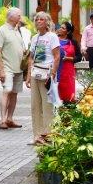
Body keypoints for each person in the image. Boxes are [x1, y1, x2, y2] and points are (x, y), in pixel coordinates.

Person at [26, 12, 61, 144]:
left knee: (47, 106)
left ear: (47, 22)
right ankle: (37, 135)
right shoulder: (34, 38)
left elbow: (57, 56)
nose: (38, 21)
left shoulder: (52, 37)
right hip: (36, 73)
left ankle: (48, 134)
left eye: (41, 19)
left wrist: (52, 74)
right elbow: (31, 58)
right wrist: (28, 76)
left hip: (47, 74)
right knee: (35, 106)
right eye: (37, 19)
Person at [0, 8, 28, 130]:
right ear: (11, 17)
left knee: (14, 94)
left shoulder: (17, 30)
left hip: (18, 68)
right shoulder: (1, 30)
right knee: (7, 91)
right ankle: (3, 120)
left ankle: (10, 118)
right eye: (18, 15)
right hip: (7, 68)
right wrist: (1, 69)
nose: (20, 17)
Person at [56, 21, 80, 104]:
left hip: (68, 72)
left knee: (68, 95)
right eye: (60, 27)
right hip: (56, 70)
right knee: (56, 93)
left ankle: (68, 112)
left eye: (63, 28)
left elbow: (79, 57)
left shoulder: (73, 42)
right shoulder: (54, 40)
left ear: (68, 31)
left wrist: (69, 58)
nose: (60, 29)